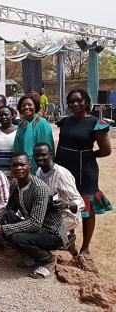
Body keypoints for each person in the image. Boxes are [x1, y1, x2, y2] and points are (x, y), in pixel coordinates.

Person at [0, 152, 68, 279]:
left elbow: (35, 223)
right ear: (10, 168)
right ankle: (31, 256)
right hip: (36, 228)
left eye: (22, 165)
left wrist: (0, 229)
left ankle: (49, 259)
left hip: (51, 232)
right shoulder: (15, 183)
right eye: (14, 165)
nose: (18, 168)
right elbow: (10, 209)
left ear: (29, 165)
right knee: (7, 218)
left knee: (16, 237)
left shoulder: (39, 188)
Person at [55, 89, 112, 256]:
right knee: (65, 207)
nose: (75, 104)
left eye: (78, 100)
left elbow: (106, 151)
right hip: (64, 169)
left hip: (85, 171)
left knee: (87, 209)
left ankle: (85, 247)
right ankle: (69, 242)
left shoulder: (96, 123)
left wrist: (88, 155)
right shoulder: (64, 121)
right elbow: (61, 145)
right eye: (71, 101)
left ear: (87, 102)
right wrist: (57, 167)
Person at [34, 142, 84, 255]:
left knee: (39, 232)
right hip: (50, 214)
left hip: (68, 215)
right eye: (36, 155)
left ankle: (61, 244)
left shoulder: (62, 174)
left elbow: (80, 202)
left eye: (43, 154)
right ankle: (68, 245)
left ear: (50, 154)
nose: (39, 158)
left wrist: (66, 204)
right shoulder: (39, 172)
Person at [13, 94, 54, 174]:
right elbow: (16, 147)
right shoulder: (21, 125)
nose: (26, 107)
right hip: (22, 168)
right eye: (23, 105)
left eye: (29, 105)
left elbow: (48, 149)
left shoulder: (42, 123)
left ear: (35, 106)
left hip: (40, 167)